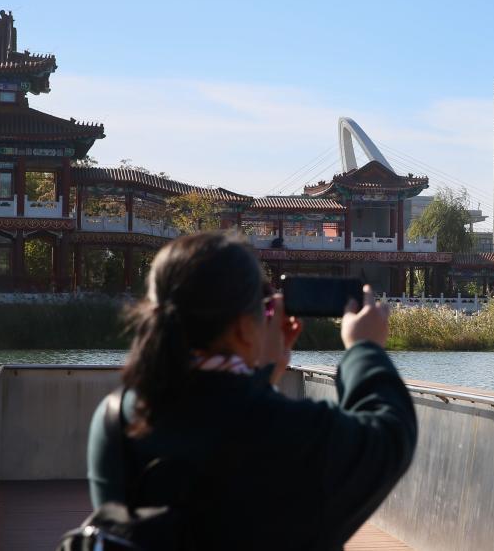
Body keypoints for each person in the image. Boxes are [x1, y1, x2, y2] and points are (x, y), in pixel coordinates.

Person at [87, 231, 417, 550]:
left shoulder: (117, 418)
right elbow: (390, 434)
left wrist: (261, 376)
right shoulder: (297, 431)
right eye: (263, 310)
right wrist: (364, 348)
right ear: (245, 327)